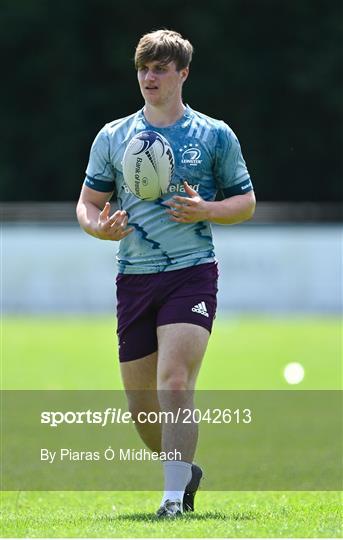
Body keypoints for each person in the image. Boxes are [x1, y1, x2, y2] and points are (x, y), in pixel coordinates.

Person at [76, 29, 255, 518]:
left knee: (173, 384)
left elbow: (247, 202)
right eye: (143, 68)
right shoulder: (114, 136)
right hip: (134, 276)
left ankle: (172, 500)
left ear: (183, 74)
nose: (149, 77)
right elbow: (89, 203)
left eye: (159, 68)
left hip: (191, 273)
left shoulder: (214, 135)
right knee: (142, 409)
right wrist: (100, 229)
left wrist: (207, 211)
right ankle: (185, 471)